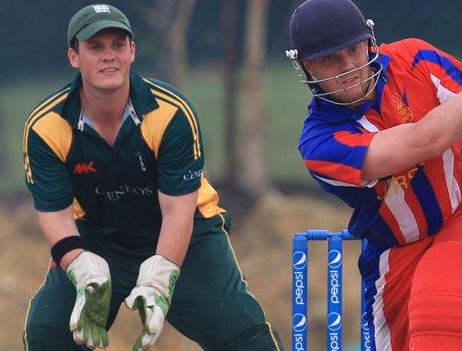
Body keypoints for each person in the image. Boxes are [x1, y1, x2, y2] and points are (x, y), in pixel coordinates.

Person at [287, 0, 462, 350]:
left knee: (447, 286)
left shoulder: (415, 58)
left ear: (369, 42)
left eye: (354, 51)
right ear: (306, 67)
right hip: (394, 255)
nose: (348, 68)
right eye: (330, 59)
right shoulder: (319, 143)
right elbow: (428, 140)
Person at [22, 4, 284, 351]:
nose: (109, 56)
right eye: (95, 47)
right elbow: (55, 214)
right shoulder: (45, 127)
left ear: (132, 51)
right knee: (47, 333)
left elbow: (178, 212)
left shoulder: (171, 112)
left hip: (187, 233)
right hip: (100, 237)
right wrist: (81, 267)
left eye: (118, 44)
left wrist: (160, 279)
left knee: (239, 332)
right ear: (74, 56)